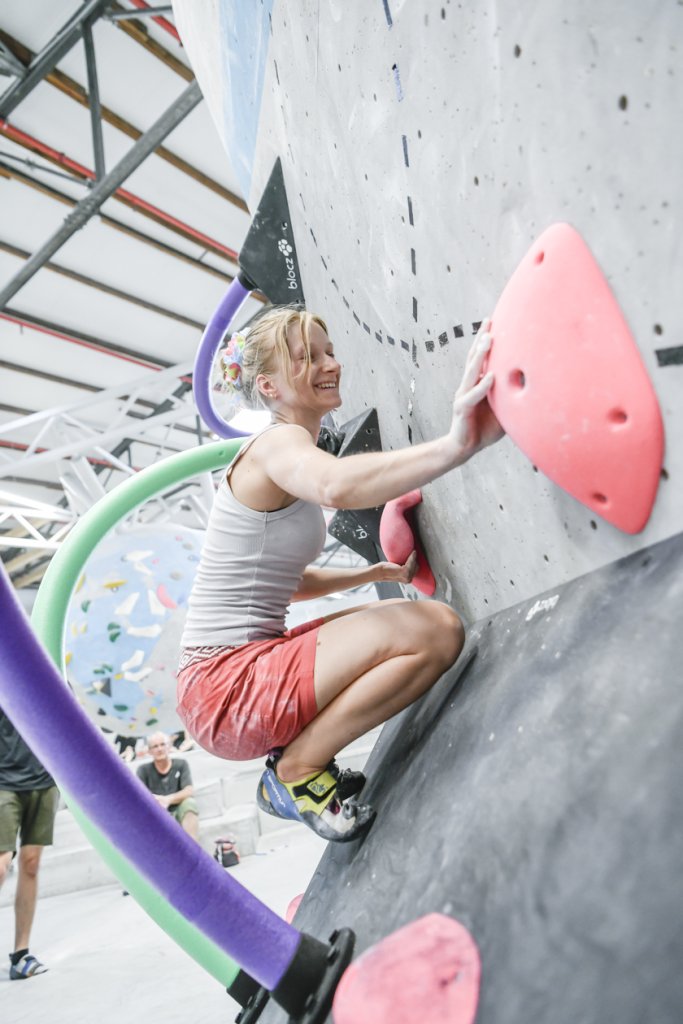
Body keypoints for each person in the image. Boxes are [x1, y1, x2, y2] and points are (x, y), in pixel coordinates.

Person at [176, 306, 503, 842]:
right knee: (436, 630)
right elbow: (335, 487)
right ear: (269, 385)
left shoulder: (284, 450)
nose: (331, 364)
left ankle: (298, 761)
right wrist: (455, 445)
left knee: (401, 620)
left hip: (229, 677)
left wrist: (371, 572)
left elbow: (288, 580)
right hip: (226, 689)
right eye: (308, 357)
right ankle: (297, 771)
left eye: (329, 351)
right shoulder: (276, 444)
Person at [0, 708, 59, 980]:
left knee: (31, 864)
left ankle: (20, 955)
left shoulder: (52, 669)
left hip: (44, 780)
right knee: (1, 865)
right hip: (3, 782)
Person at [136, 732, 199, 841]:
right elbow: (139, 795)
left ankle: (192, 846)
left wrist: (168, 799)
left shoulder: (181, 764)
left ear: (169, 746)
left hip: (178, 807)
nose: (159, 749)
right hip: (155, 811)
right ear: (150, 751)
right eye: (155, 746)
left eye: (162, 744)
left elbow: (188, 790)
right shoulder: (143, 770)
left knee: (190, 803)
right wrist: (158, 801)